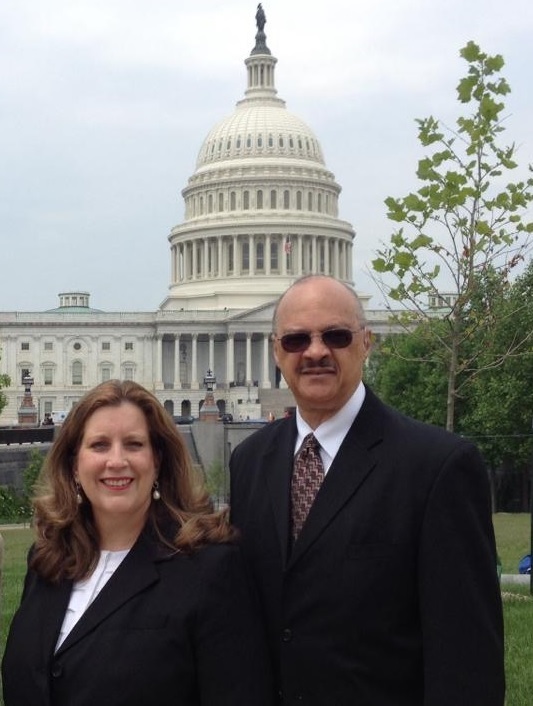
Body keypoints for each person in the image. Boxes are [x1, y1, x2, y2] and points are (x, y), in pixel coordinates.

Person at [230, 274, 505, 706]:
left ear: (366, 343)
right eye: (297, 339)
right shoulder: (249, 462)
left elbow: (466, 655)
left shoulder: (436, 466)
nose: (315, 351)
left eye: (335, 336)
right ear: (276, 350)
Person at [2, 380, 273, 706]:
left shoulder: (210, 569)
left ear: (157, 461)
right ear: (75, 465)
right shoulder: (48, 560)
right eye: (99, 445)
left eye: (133, 444)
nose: (116, 461)